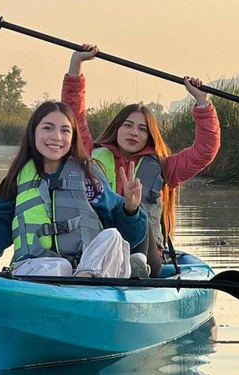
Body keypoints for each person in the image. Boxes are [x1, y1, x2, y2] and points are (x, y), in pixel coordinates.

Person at [63, 45, 221, 277]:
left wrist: (202, 102)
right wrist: (76, 65)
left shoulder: (164, 167)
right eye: (127, 125)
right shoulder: (90, 155)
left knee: (140, 219)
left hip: (147, 256)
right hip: (100, 249)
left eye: (142, 129)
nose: (133, 133)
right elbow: (73, 114)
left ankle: (136, 267)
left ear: (149, 136)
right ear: (117, 129)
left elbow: (205, 150)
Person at [0, 101, 148, 278]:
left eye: (65, 130)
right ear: (33, 133)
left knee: (112, 236)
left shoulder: (89, 176)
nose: (56, 137)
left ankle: (84, 279)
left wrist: (131, 209)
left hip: (86, 270)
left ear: (73, 137)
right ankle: (82, 281)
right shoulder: (17, 180)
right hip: (34, 270)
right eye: (47, 128)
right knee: (59, 266)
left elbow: (130, 236)